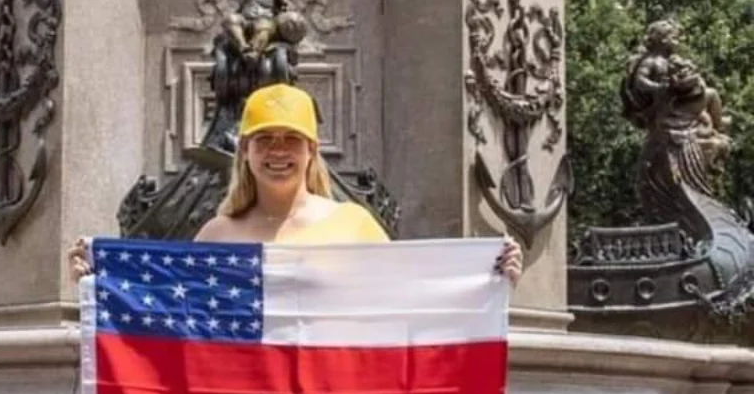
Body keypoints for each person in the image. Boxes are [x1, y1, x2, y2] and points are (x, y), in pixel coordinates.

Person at [68, 83, 523, 284]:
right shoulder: (217, 235)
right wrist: (99, 276)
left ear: (311, 151)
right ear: (245, 151)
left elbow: (412, 296)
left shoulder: (354, 224)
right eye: (264, 140)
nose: (278, 151)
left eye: (291, 140)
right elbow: (170, 312)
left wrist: (488, 273)